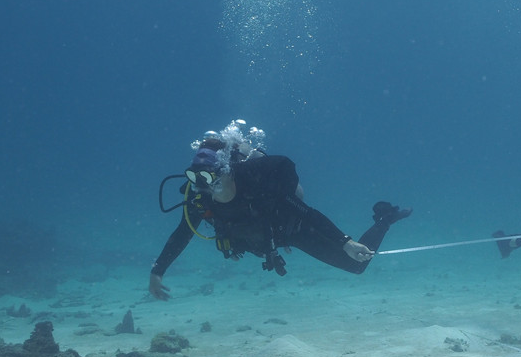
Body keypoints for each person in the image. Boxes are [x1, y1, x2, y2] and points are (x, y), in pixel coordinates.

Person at [149, 121, 411, 300]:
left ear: (229, 172)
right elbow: (182, 233)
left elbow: (307, 213)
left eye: (213, 180)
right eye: (199, 181)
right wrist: (157, 272)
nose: (207, 190)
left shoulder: (259, 188)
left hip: (288, 230)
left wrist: (346, 242)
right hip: (255, 240)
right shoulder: (203, 195)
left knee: (356, 266)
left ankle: (384, 219)